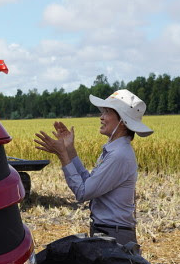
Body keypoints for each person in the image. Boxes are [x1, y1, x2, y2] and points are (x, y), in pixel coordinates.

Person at [34, 89, 153, 246]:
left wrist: (62, 155)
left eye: (107, 112)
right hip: (109, 232)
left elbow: (83, 192)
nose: (101, 117)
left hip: (115, 237)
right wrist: (69, 149)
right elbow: (88, 182)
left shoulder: (119, 155)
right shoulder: (113, 150)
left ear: (123, 121)